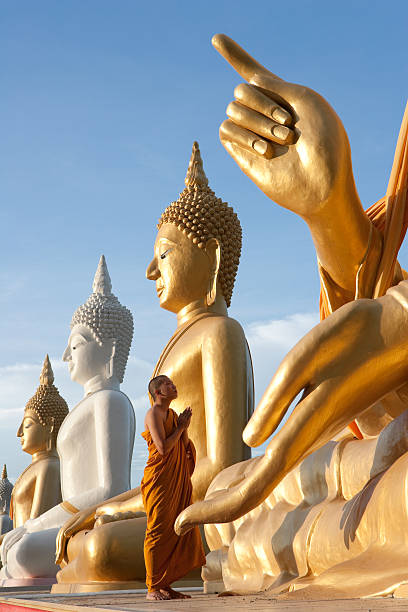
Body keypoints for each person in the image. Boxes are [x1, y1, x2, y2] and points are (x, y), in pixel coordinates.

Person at [141, 375, 205, 600]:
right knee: (158, 530)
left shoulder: (174, 415)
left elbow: (184, 447)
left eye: (172, 383)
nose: (173, 386)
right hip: (159, 480)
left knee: (176, 530)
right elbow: (163, 448)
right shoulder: (153, 414)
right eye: (167, 384)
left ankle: (165, 585)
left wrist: (183, 427)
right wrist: (180, 429)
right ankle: (152, 587)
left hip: (176, 479)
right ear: (157, 393)